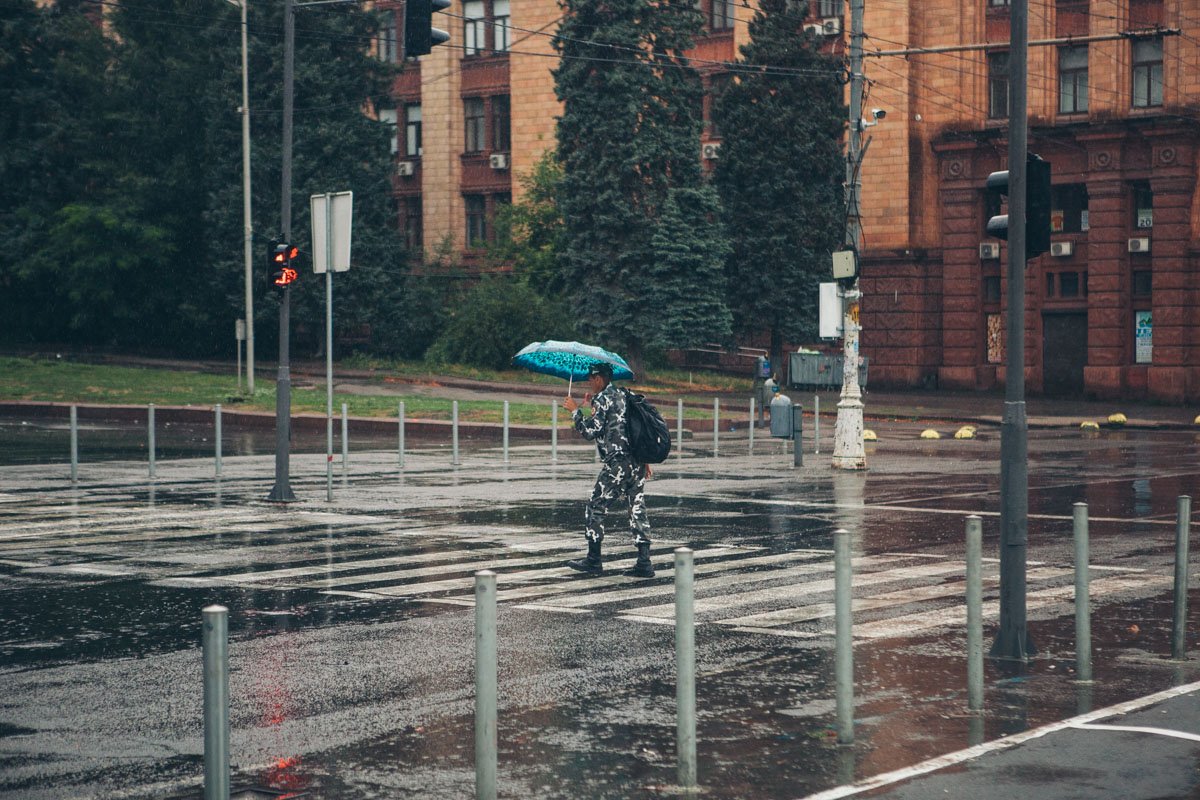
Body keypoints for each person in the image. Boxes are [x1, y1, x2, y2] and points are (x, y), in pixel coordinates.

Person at [562, 362, 654, 578]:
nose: (589, 382)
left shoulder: (603, 398)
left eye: (591, 379)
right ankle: (644, 562)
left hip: (617, 463)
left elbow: (590, 431)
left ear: (599, 378)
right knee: (637, 508)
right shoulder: (625, 395)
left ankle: (593, 560)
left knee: (595, 506)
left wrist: (575, 411)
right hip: (637, 462)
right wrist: (645, 458)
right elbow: (634, 427)